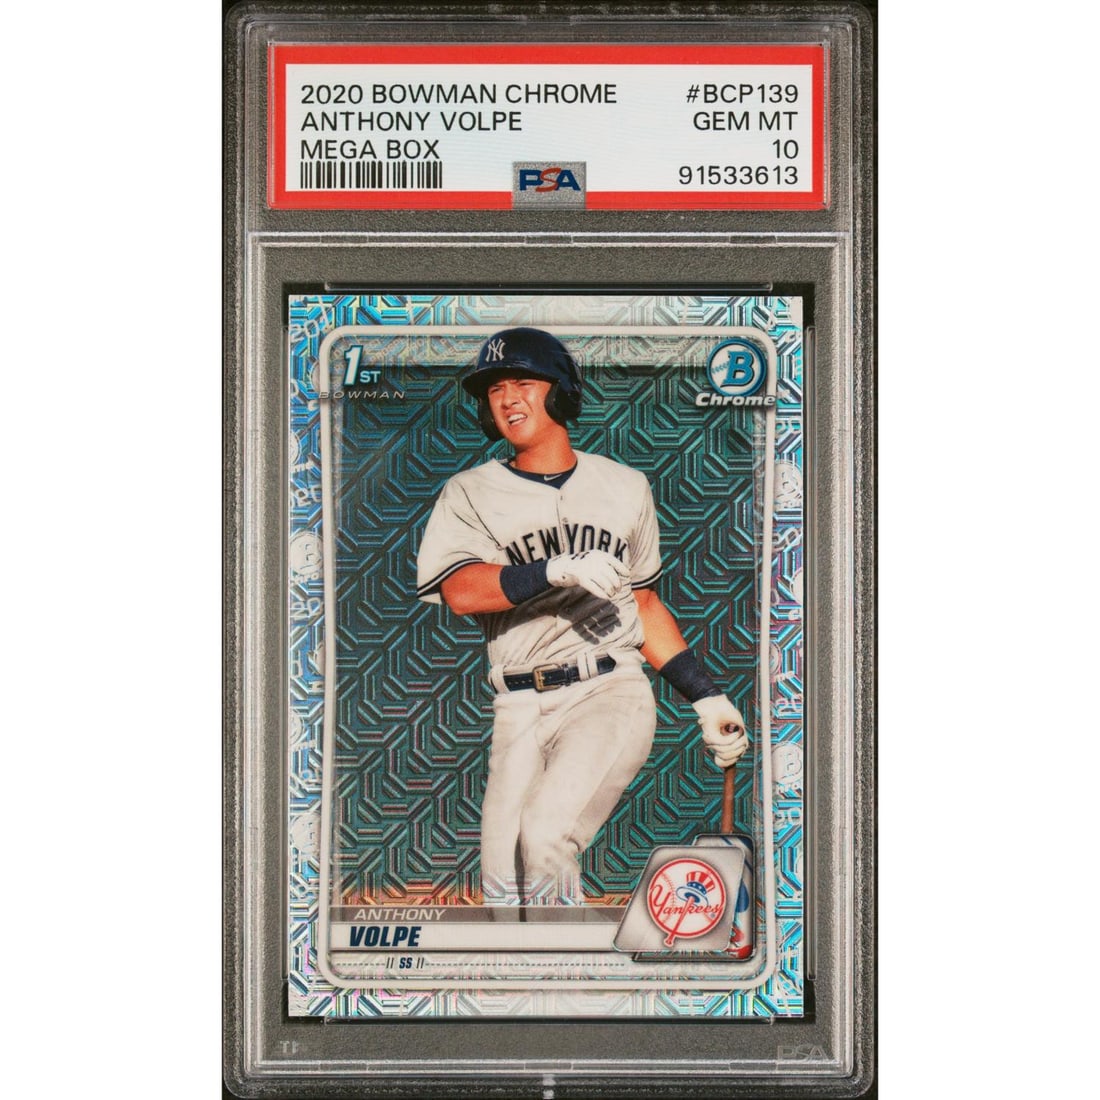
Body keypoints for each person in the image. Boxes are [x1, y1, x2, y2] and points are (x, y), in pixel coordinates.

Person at [416, 327, 747, 905]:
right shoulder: (469, 492)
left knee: (546, 837)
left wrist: (705, 695)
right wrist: (553, 570)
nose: (508, 398)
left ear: (561, 390)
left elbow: (643, 604)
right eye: (494, 388)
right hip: (517, 703)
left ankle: (563, 960)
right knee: (503, 889)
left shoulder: (625, 486)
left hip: (606, 688)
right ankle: (543, 963)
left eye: (524, 382)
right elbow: (460, 590)